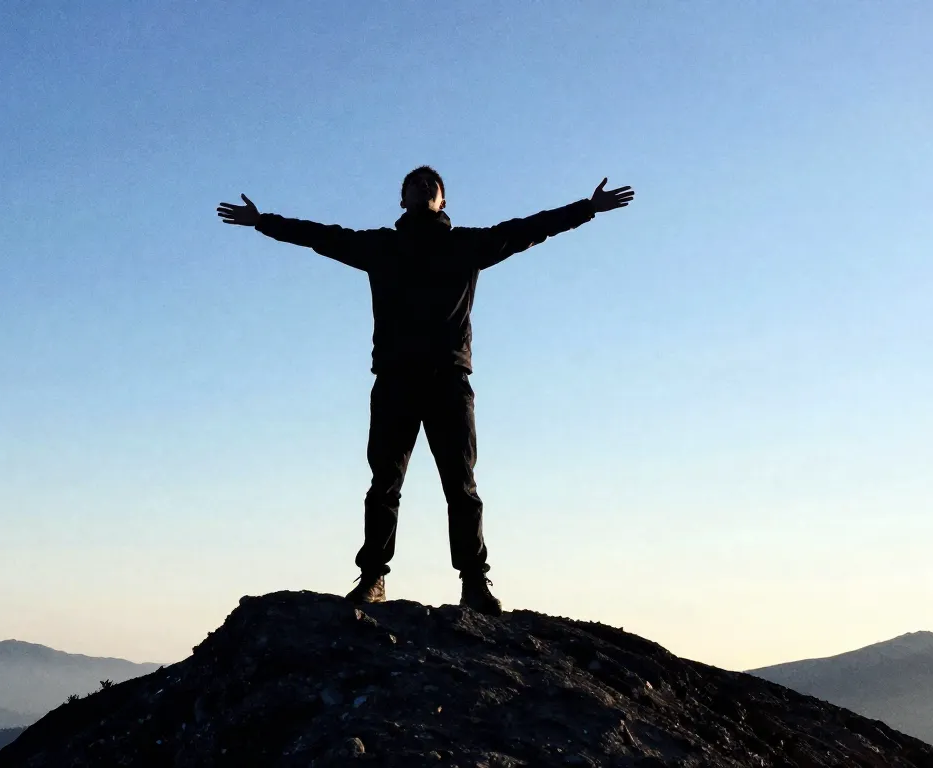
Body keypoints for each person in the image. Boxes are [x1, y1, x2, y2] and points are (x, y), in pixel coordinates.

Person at [217, 167, 632, 615]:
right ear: (403, 200)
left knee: (462, 487)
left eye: (431, 184)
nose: (423, 186)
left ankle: (474, 582)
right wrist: (262, 222)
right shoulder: (381, 246)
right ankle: (373, 577)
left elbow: (528, 229)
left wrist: (588, 208)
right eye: (414, 183)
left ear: (443, 201)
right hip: (395, 381)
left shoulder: (467, 245)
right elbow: (322, 236)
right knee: (384, 484)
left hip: (449, 382)